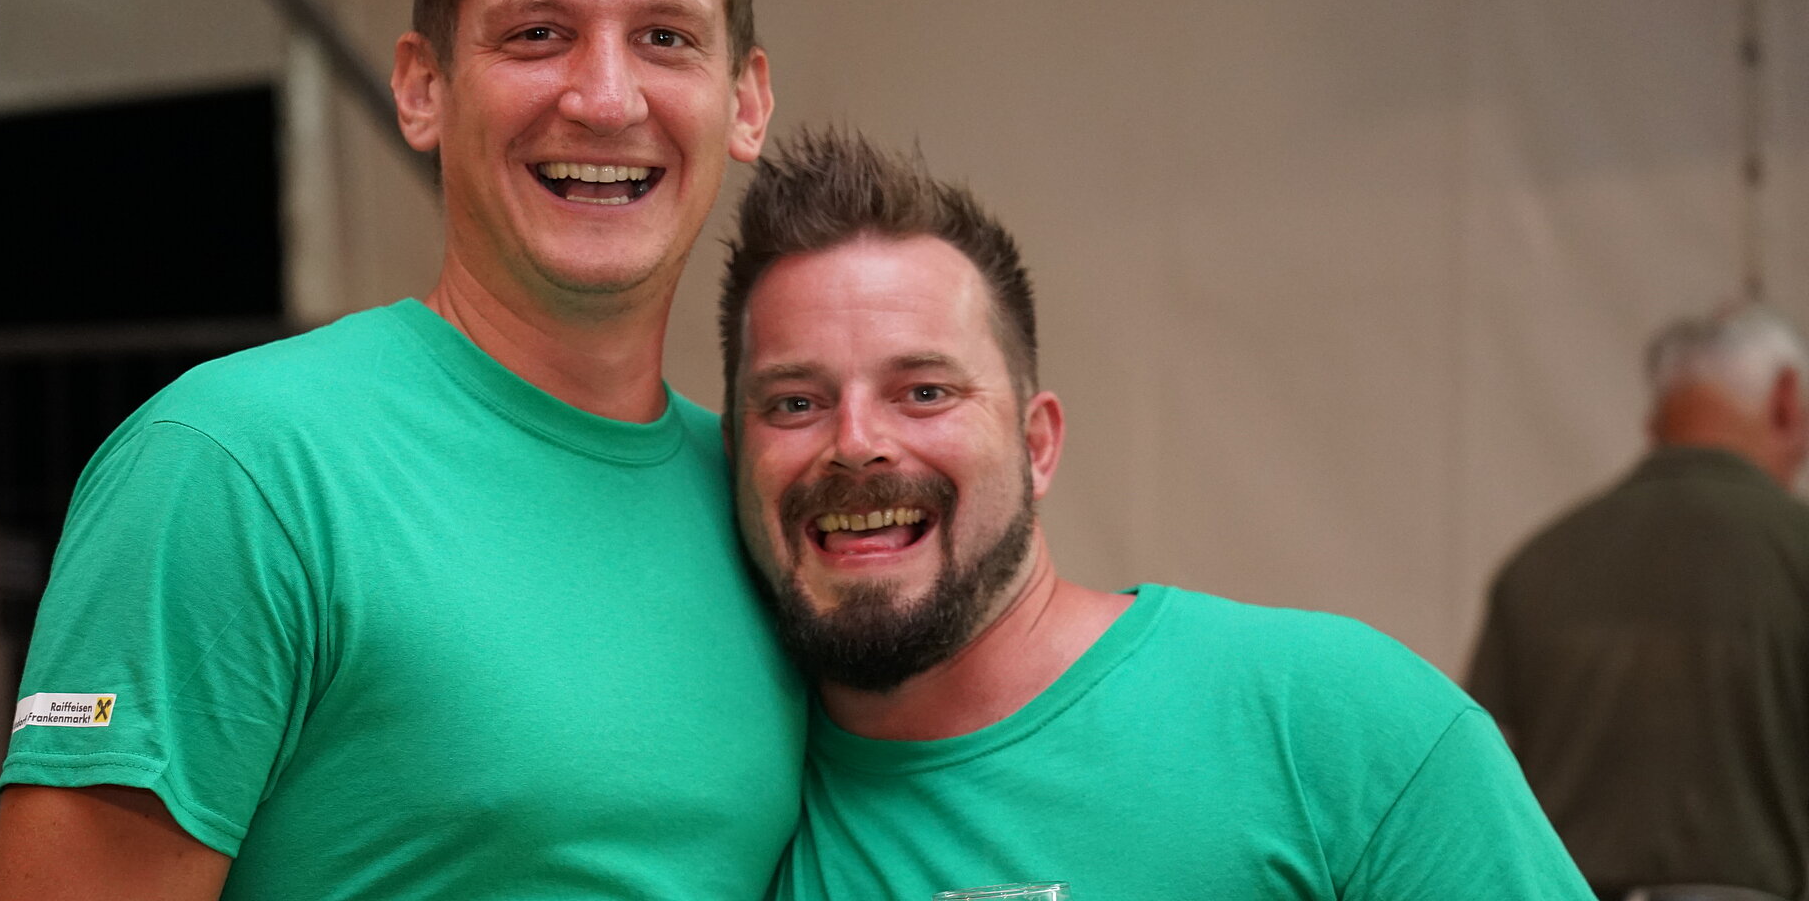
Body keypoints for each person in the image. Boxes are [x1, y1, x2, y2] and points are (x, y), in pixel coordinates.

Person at [0, 0, 800, 898]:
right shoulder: (233, 470)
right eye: (538, 33)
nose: (606, 98)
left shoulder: (765, 505)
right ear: (421, 87)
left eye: (665, 37)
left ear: (745, 101)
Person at [717, 127, 1595, 900]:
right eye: (795, 403)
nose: (856, 443)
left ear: (1037, 445)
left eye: (924, 391)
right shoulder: (718, 807)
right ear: (731, 455)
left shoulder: (1332, 724)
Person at [1469, 306, 1809, 901]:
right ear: (1786, 401)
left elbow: (1478, 777)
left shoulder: (1538, 564)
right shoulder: (1797, 550)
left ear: (1656, 419)